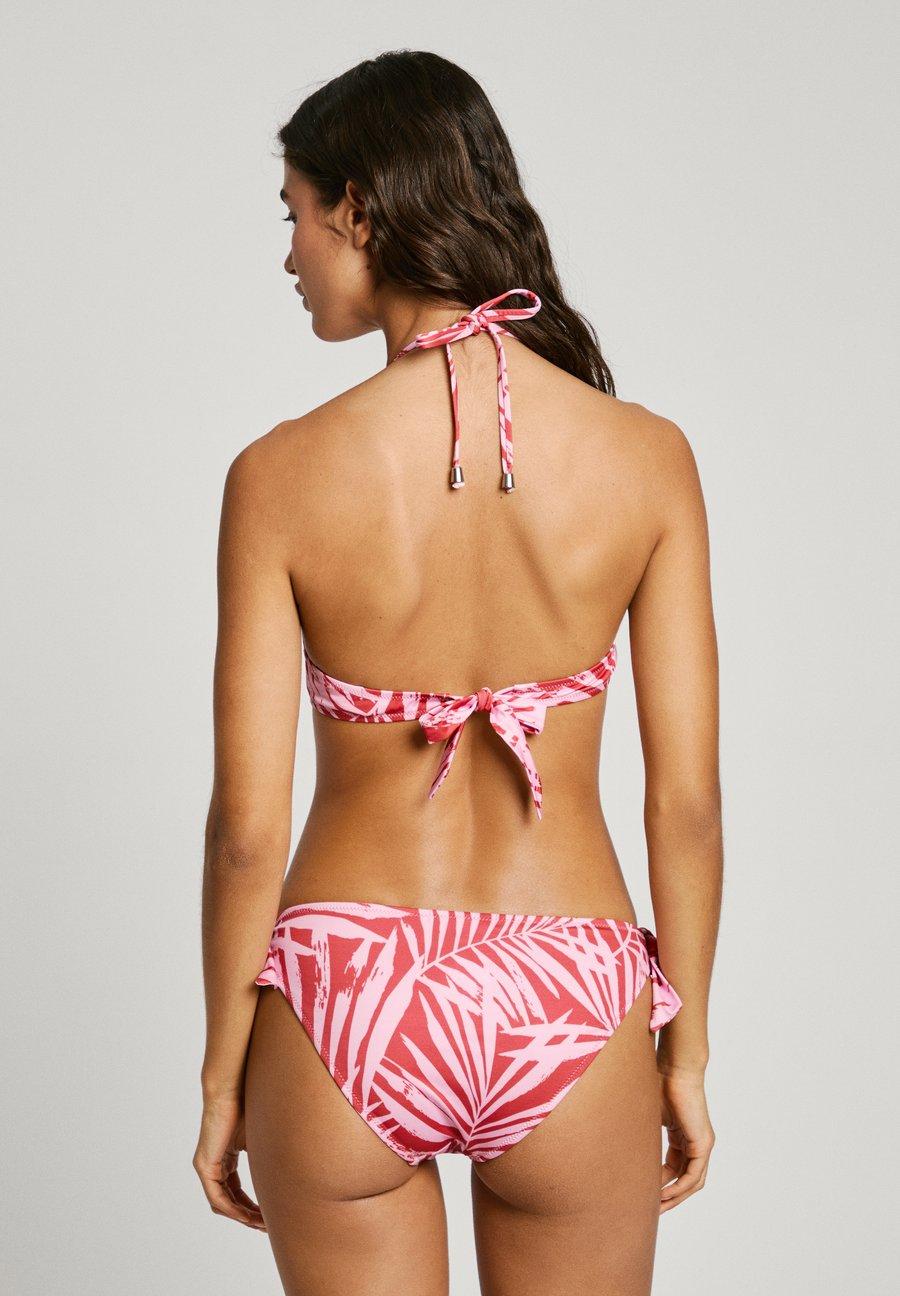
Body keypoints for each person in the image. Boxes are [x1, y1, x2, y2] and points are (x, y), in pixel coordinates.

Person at [193, 49, 722, 1296]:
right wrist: (687, 1051)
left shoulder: (277, 476)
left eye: (294, 214)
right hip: (568, 986)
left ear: (359, 207)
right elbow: (687, 803)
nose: (289, 254)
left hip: (346, 996)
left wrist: (223, 1076)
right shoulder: (647, 458)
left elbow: (246, 831)